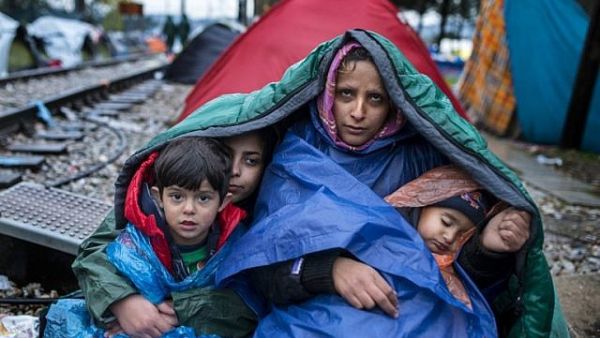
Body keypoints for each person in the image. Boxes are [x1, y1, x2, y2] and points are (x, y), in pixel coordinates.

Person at [73, 30, 567, 337]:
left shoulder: (419, 157)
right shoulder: (291, 153)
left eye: (375, 99)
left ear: (396, 102)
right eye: (346, 94)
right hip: (309, 309)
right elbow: (264, 268)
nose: (357, 111)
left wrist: (488, 247)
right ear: (326, 94)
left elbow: (454, 256)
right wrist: (329, 271)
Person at [68, 130, 274, 338]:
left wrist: (183, 311)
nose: (234, 171)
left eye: (251, 160)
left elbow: (254, 296)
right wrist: (123, 302)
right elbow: (93, 254)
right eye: (227, 156)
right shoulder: (146, 203)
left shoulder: (269, 212)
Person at [384, 165, 506, 310]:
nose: (449, 237)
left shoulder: (454, 267)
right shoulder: (386, 226)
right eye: (446, 222)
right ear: (423, 204)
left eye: (462, 235)